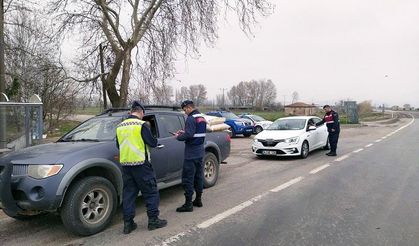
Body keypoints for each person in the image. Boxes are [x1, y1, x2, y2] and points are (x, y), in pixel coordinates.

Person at [116, 101, 167, 234]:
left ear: (131, 111)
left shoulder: (120, 126)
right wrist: (155, 139)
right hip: (141, 164)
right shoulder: (141, 125)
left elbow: (118, 145)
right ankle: (153, 221)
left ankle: (128, 224)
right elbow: (152, 142)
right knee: (150, 192)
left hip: (126, 165)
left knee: (129, 194)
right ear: (141, 112)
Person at [174, 100, 206, 212]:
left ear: (188, 107)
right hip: (200, 151)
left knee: (188, 178)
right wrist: (184, 131)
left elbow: (189, 134)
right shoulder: (201, 117)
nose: (184, 112)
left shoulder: (191, 118)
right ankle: (198, 200)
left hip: (191, 153)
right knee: (198, 176)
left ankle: (188, 205)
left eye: (184, 110)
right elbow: (195, 132)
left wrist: (178, 136)